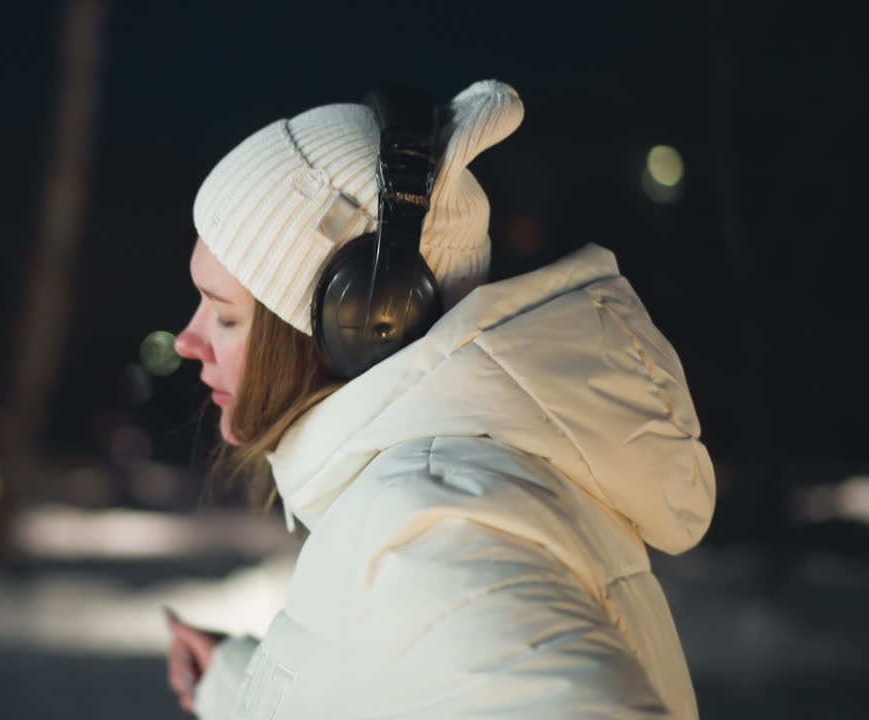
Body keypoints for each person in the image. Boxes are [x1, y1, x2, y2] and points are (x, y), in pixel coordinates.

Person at [163, 79, 715, 719]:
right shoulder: (427, 510)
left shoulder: (434, 524)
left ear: (366, 324)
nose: (186, 341)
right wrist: (238, 686)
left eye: (226, 316)